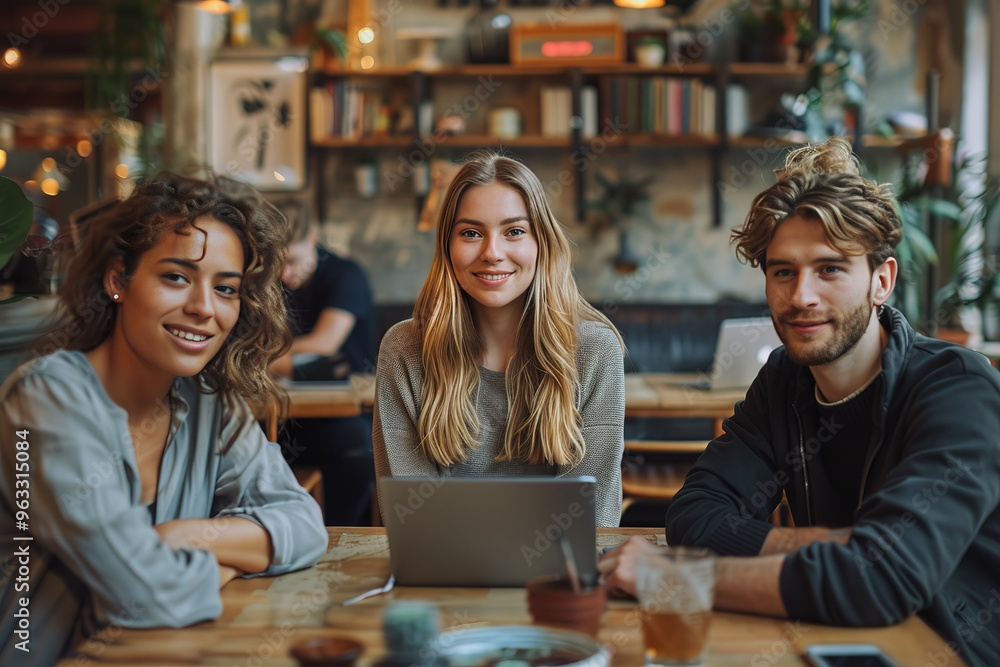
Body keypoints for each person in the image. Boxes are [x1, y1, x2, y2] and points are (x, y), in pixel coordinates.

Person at [598, 137, 1000, 667]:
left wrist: (671, 578)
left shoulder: (958, 388)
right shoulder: (786, 380)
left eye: (830, 269)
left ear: (882, 280)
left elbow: (879, 579)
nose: (801, 296)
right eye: (782, 271)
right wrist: (842, 545)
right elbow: (694, 515)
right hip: (830, 641)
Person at [0, 175, 327, 666]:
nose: (203, 309)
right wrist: (222, 563)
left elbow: (304, 524)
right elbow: (146, 596)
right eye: (176, 277)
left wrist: (185, 538)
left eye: (226, 289)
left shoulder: (210, 403)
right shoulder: (46, 398)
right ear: (118, 280)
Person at [373, 151, 626, 527]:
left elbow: (591, 519)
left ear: (542, 243)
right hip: (440, 575)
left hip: (556, 576)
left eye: (514, 231)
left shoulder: (594, 350)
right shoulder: (404, 350)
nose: (492, 253)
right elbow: (414, 517)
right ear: (447, 247)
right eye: (471, 233)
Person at [269, 199, 376, 526]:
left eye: (295, 261)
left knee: (355, 448)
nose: (286, 274)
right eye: (277, 264)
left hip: (344, 414)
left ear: (313, 238)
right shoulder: (270, 279)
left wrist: (266, 361)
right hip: (286, 413)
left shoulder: (346, 275)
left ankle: (338, 534)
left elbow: (325, 342)